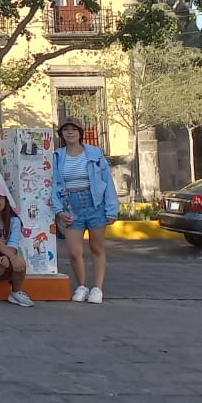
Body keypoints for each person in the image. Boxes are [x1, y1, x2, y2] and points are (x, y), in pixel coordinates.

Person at [51, 120, 118, 305]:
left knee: (96, 247)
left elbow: (107, 181)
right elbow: (54, 184)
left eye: (73, 129)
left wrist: (111, 209)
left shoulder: (94, 153)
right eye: (66, 130)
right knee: (74, 251)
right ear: (62, 134)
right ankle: (82, 285)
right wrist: (58, 210)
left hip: (94, 202)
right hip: (71, 205)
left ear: (80, 132)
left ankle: (97, 288)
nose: (70, 133)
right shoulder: (57, 156)